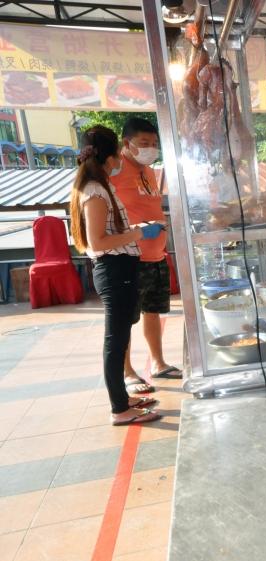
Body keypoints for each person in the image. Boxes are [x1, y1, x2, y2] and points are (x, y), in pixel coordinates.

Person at [69, 125, 164, 426]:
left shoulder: (99, 187)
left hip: (121, 268)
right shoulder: (95, 192)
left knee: (119, 337)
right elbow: (97, 242)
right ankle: (119, 409)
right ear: (111, 156)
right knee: (116, 341)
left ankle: (123, 400)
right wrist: (138, 232)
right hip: (113, 269)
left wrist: (137, 230)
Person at [112, 117, 180, 394]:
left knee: (154, 310)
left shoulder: (150, 172)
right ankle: (127, 372)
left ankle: (158, 362)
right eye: (143, 144)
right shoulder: (114, 168)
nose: (150, 149)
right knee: (126, 317)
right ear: (125, 144)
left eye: (154, 144)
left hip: (155, 254)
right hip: (129, 255)